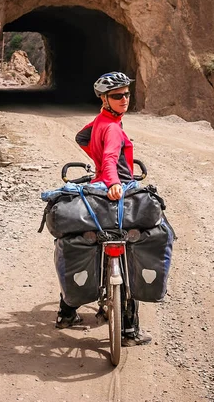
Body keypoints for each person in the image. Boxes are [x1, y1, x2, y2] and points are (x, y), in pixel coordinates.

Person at [55, 71, 152, 346]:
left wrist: (96, 166)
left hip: (96, 189)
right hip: (117, 191)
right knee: (131, 247)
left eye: (127, 94)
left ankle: (66, 312)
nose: (125, 99)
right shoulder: (112, 128)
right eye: (117, 96)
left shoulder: (102, 121)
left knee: (86, 244)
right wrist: (112, 181)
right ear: (104, 99)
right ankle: (130, 331)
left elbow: (82, 137)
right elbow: (111, 156)